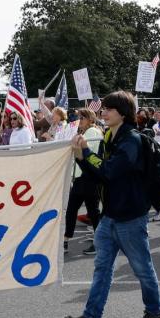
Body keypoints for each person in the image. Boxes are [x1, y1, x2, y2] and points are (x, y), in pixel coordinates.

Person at [63, 91, 160, 318]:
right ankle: (91, 317)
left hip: (130, 216)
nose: (103, 113)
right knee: (102, 268)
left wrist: (86, 154)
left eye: (109, 109)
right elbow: (98, 173)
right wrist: (81, 157)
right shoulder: (112, 136)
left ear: (122, 113)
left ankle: (155, 310)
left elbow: (110, 171)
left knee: (142, 268)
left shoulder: (130, 139)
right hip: (111, 215)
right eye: (104, 109)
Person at [63, 108, 102, 254]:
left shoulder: (93, 132)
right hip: (82, 176)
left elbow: (86, 153)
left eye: (83, 117)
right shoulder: (85, 132)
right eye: (79, 117)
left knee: (92, 211)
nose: (80, 120)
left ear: (90, 119)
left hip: (89, 176)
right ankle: (65, 240)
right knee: (73, 209)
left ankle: (99, 243)